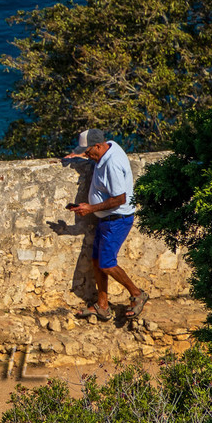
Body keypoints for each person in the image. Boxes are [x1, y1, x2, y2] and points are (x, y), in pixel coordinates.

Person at [65, 128, 147, 321]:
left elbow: (119, 199)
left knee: (107, 264)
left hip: (117, 219)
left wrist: (90, 209)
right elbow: (93, 153)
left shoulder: (113, 164)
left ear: (99, 146)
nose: (87, 156)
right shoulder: (107, 147)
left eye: (88, 152)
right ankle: (102, 306)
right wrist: (78, 156)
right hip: (107, 218)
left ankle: (137, 294)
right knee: (96, 260)